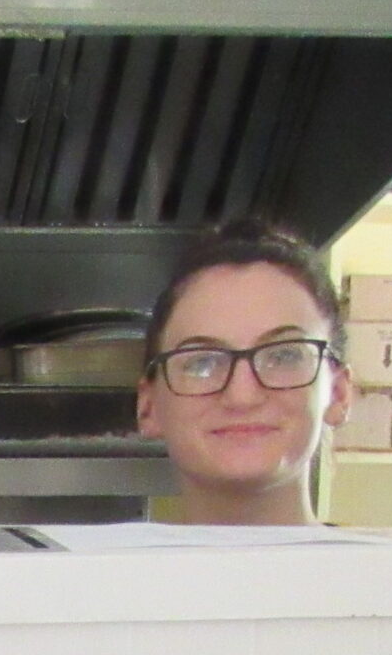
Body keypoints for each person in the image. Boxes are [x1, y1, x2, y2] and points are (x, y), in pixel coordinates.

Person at [135, 219, 353, 526]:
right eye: (202, 362)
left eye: (284, 355)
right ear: (149, 407)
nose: (242, 396)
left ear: (339, 393)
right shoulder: (103, 574)